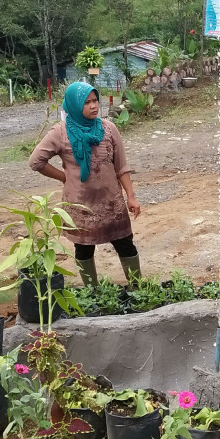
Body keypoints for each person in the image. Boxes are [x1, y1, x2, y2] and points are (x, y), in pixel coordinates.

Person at [29, 81, 141, 286]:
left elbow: (121, 167)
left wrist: (131, 197)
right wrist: (64, 177)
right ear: (74, 105)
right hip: (81, 206)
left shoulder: (109, 129)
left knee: (125, 244)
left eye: (95, 100)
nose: (93, 106)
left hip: (112, 204)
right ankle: (92, 292)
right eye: (86, 102)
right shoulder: (60, 132)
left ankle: (138, 287)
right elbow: (36, 161)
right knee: (84, 249)